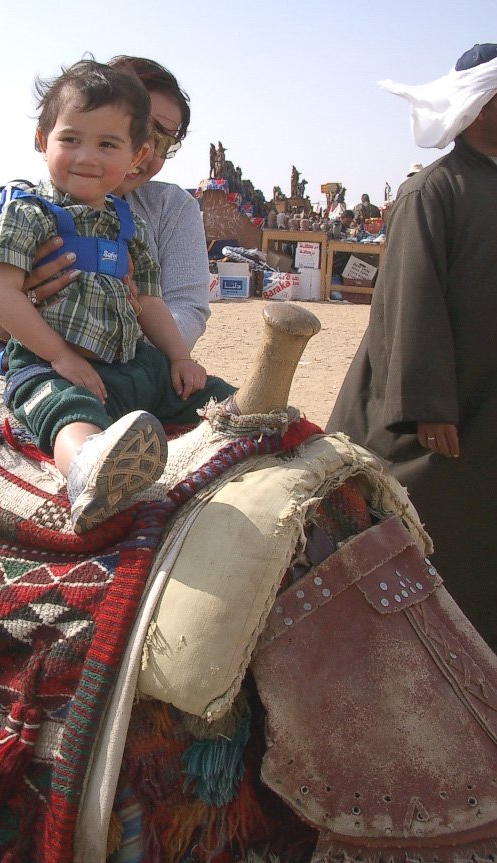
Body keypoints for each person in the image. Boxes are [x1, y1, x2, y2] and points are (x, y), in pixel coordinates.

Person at [0, 58, 236, 533]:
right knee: (63, 408)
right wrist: (59, 356)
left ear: (136, 153)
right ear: (42, 140)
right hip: (53, 364)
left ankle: (249, 421)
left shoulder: (129, 225)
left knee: (205, 391)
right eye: (71, 139)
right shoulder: (28, 214)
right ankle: (90, 468)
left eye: (107, 144)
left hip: (129, 360)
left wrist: (179, 357)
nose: (87, 157)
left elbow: (152, 301)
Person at [327, 43, 497, 651]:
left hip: (487, 397)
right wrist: (426, 404)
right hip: (435, 414)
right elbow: (408, 300)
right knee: (417, 528)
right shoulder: (433, 191)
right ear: (481, 106)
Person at [0, 55, 211, 355]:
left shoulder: (168, 209)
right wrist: (25, 323)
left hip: (135, 361)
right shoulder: (27, 211)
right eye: (141, 127)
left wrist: (123, 348)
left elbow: (185, 307)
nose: (148, 147)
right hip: (47, 363)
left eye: (164, 141)